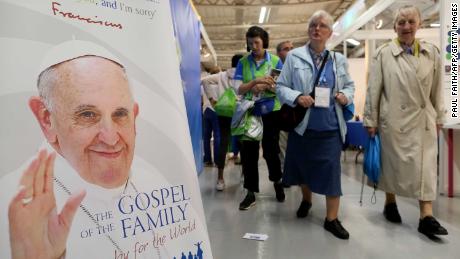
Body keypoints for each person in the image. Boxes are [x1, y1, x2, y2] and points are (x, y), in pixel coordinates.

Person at [0, 41, 206, 258]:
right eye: (87, 115)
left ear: (134, 117)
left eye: (120, 114)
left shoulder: (156, 182)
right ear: (46, 119)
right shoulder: (10, 205)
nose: (110, 138)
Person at [363, 5, 448, 238]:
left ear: (419, 24)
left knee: (427, 168)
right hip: (394, 119)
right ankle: (390, 202)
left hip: (423, 120)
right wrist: (370, 119)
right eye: (401, 22)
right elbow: (374, 90)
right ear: (394, 27)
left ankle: (426, 216)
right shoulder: (383, 54)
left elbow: (439, 88)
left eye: (411, 21)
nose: (406, 27)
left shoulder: (432, 53)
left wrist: (440, 116)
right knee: (393, 165)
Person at [276, 10, 354, 240]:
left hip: (330, 127)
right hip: (303, 127)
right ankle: (307, 200)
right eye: (313, 25)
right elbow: (281, 87)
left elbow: (350, 86)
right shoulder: (294, 57)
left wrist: (345, 95)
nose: (316, 29)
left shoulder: (338, 59)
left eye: (322, 26)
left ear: (330, 32)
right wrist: (297, 96)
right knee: (302, 170)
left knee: (331, 174)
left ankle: (331, 219)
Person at [234, 26, 285, 210]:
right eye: (250, 42)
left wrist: (267, 87)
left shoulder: (276, 61)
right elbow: (238, 88)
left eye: (256, 42)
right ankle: (250, 192)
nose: (253, 45)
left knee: (271, 151)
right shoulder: (243, 62)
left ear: (264, 42)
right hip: (251, 111)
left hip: (271, 111)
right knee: (249, 153)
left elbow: (282, 87)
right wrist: (254, 83)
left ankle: (277, 181)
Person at [201, 54, 243, 191]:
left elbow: (205, 81)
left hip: (224, 112)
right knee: (243, 141)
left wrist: (212, 100)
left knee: (223, 142)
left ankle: (220, 178)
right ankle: (245, 174)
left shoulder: (222, 75)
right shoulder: (244, 76)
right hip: (239, 112)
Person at [275, 40, 294, 173]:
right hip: (280, 113)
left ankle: (298, 174)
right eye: (286, 49)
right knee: (282, 145)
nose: (290, 50)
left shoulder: (298, 68)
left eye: (292, 48)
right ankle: (285, 174)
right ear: (279, 53)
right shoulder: (275, 71)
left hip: (297, 112)